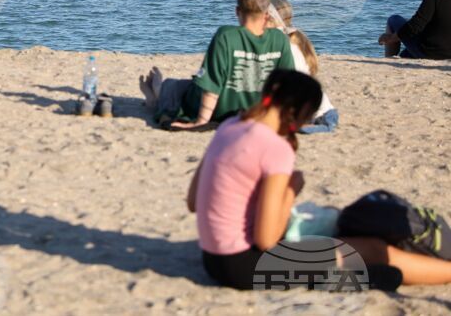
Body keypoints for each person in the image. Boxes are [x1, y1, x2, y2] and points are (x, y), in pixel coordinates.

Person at [188, 69, 451, 290]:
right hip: (247, 268)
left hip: (211, 259)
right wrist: (292, 190)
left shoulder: (230, 125)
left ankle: (348, 277)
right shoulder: (274, 147)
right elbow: (267, 240)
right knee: (373, 249)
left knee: (345, 243)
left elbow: (192, 202)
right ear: (301, 110)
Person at [139, 0, 294, 130]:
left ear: (237, 11)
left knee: (173, 87)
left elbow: (211, 85)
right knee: (186, 86)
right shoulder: (280, 39)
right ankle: (156, 92)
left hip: (221, 112)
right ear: (267, 14)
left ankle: (155, 95)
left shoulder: (226, 36)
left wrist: (201, 122)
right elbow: (289, 85)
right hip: (257, 112)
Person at [266, 0, 337, 133]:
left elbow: (299, 86)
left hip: (320, 116)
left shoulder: (289, 48)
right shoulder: (284, 41)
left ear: (271, 19)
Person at [378, 0, 451, 60]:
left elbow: (416, 25)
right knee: (405, 54)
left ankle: (388, 60)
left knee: (394, 20)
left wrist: (391, 38)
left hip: (431, 53)